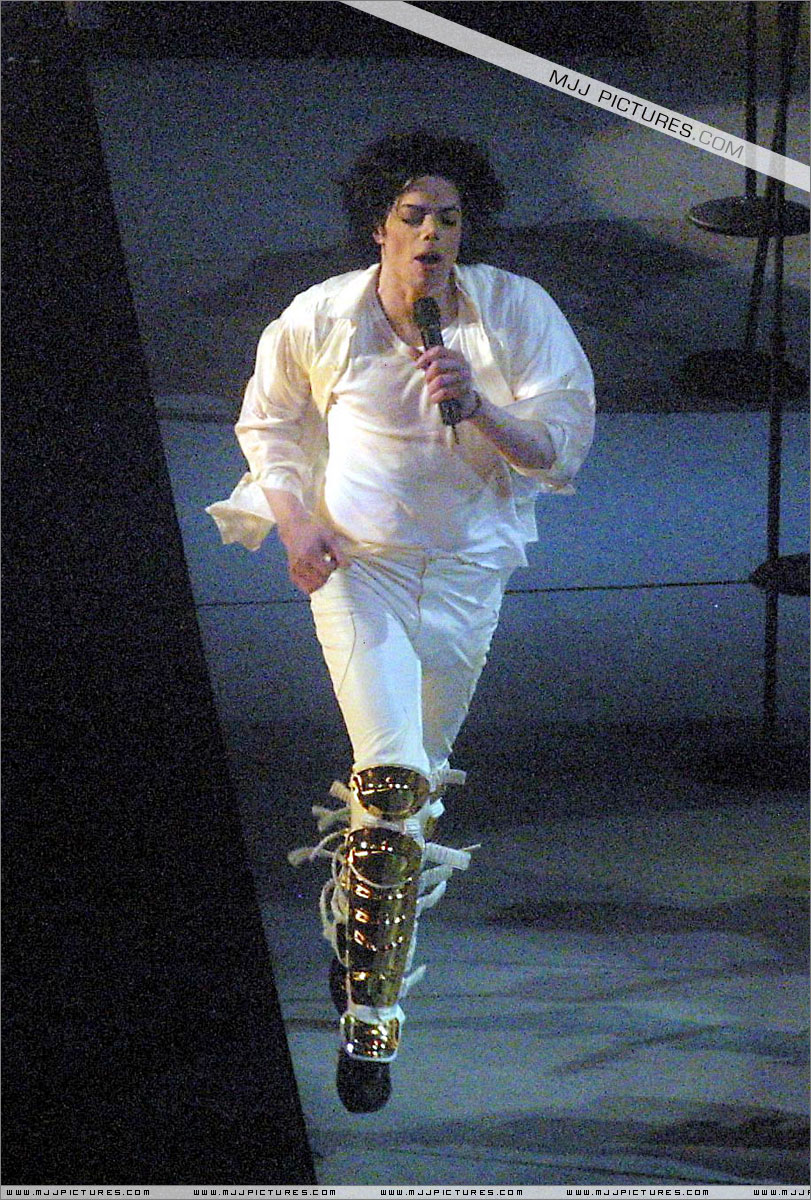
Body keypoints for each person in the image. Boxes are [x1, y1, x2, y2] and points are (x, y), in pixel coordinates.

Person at [206, 130, 595, 1113]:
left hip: (467, 575)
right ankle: (372, 1025)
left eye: (448, 219)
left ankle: (359, 929)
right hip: (359, 570)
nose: (431, 234)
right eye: (413, 216)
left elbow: (560, 446)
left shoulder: (514, 310)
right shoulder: (321, 314)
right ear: (378, 226)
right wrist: (295, 522)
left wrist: (479, 406)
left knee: (417, 793)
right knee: (389, 777)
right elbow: (269, 424)